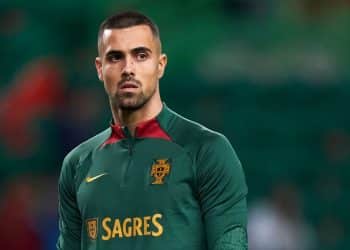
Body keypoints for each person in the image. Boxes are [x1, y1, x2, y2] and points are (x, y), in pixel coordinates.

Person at [57, 11, 248, 250]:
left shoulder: (206, 150)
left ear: (160, 65)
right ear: (99, 68)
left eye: (141, 55)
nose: (128, 68)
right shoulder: (76, 164)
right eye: (115, 57)